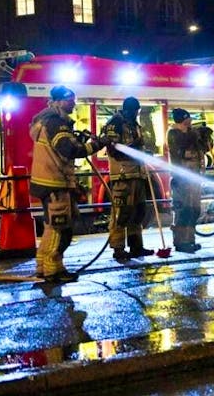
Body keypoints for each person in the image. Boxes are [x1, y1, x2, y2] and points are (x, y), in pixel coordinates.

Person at [30, 85, 108, 283]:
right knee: (60, 228)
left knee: (52, 227)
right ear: (56, 102)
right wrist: (96, 144)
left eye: (73, 99)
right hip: (55, 182)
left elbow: (61, 146)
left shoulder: (45, 121)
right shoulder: (57, 123)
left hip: (48, 181)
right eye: (68, 99)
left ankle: (45, 266)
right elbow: (69, 150)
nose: (73, 103)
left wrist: (77, 140)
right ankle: (53, 271)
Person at [102, 97, 154, 261]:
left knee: (138, 212)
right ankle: (118, 248)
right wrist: (135, 146)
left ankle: (136, 246)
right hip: (123, 175)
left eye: (137, 111)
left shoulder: (133, 124)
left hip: (137, 174)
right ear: (127, 110)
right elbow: (114, 151)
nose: (136, 114)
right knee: (121, 213)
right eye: (134, 111)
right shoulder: (115, 123)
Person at [167, 108, 206, 253]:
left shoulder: (191, 133)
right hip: (181, 178)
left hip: (194, 177)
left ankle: (190, 239)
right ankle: (180, 241)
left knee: (194, 209)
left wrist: (203, 138)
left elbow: (203, 150)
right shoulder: (173, 133)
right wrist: (193, 135)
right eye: (187, 119)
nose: (190, 121)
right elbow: (180, 149)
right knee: (182, 210)